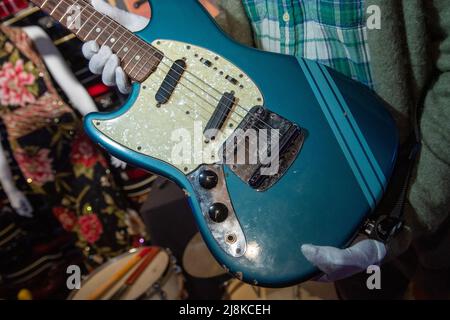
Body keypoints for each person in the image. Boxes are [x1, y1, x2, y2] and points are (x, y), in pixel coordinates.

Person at [82, 0, 450, 298]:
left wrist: (418, 203)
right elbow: (239, 53)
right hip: (304, 209)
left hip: (426, 184)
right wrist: (150, 72)